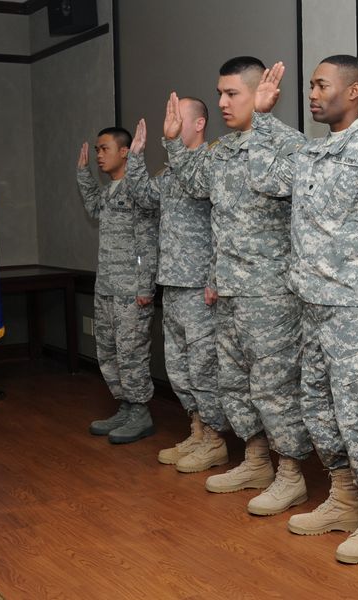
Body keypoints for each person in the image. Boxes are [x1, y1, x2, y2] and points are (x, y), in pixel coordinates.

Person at [245, 56, 358, 564]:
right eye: (311, 86)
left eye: (322, 85)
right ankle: (343, 498)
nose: (313, 94)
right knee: (321, 413)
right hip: (311, 307)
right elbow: (263, 177)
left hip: (357, 310)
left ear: (354, 91)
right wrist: (260, 117)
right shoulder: (311, 154)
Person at [162, 56, 313, 516]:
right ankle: (255, 460)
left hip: (271, 293)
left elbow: (288, 194)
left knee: (273, 388)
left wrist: (264, 124)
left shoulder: (289, 144)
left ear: (261, 92)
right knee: (236, 385)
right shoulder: (223, 150)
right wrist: (173, 145)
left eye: (232, 94)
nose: (223, 102)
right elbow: (192, 184)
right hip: (226, 289)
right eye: (220, 93)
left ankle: (292, 476)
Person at [125, 99, 231, 473]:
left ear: (200, 123)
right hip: (172, 282)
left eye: (177, 118)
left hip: (200, 285)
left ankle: (215, 440)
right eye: (167, 118)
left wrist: (215, 277)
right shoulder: (172, 171)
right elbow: (143, 198)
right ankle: (198, 431)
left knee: (203, 368)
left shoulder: (210, 164)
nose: (168, 125)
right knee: (180, 367)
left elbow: (224, 225)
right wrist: (135, 158)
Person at [76, 127, 160, 444]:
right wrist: (83, 173)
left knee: (131, 353)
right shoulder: (110, 191)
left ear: (124, 152)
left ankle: (141, 412)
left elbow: (147, 242)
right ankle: (125, 406)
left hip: (130, 289)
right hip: (107, 286)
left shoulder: (137, 191)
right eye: (97, 149)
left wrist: (143, 286)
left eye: (104, 148)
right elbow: (93, 207)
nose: (99, 155)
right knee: (108, 351)